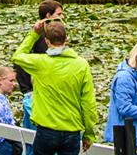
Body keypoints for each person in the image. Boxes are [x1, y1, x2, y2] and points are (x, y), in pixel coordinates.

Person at [11, 18, 97, 155]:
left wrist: (34, 34)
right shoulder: (81, 65)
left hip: (46, 130)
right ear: (66, 39)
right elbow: (88, 103)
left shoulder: (40, 63)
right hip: (72, 131)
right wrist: (89, 133)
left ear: (46, 41)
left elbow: (17, 56)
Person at [13, 0, 64, 98]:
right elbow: (18, 63)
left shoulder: (51, 35)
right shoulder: (39, 37)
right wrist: (27, 90)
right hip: (37, 91)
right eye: (59, 14)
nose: (62, 17)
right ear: (48, 16)